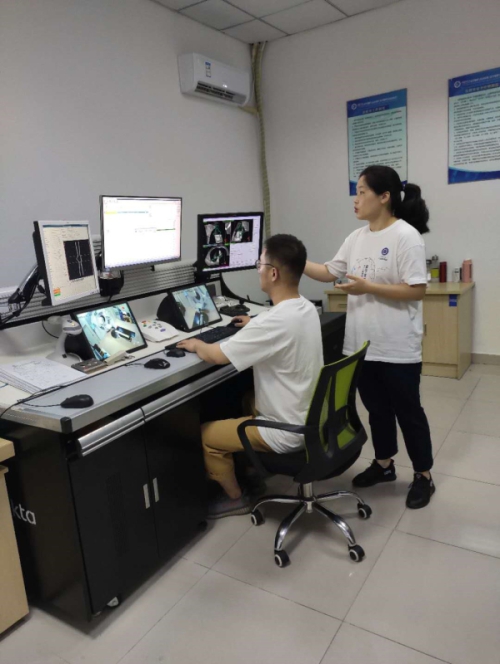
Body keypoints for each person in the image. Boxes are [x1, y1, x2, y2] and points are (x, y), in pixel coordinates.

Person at [304, 165, 435, 509]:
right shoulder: (356, 238)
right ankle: (384, 464)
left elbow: (417, 290)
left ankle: (423, 474)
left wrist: (368, 287)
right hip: (362, 345)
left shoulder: (406, 236)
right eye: (357, 191)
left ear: (385, 197)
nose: (356, 199)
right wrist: (295, 259)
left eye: (362, 192)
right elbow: (328, 271)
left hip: (397, 346)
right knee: (376, 409)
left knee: (409, 412)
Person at [177, 234, 323, 519]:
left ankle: (235, 498)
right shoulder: (305, 307)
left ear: (273, 273)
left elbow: (216, 355)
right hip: (311, 416)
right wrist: (254, 323)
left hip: (286, 431)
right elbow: (274, 326)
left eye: (260, 264)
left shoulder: (271, 322)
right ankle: (252, 469)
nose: (258, 270)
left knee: (205, 435)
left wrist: (195, 344)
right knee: (245, 398)